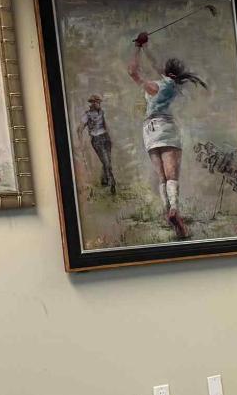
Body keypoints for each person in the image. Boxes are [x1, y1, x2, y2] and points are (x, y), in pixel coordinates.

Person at [128, 32, 206, 240]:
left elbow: (133, 71)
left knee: (161, 177)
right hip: (166, 128)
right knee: (172, 175)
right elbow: (157, 66)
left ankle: (167, 211)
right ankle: (174, 209)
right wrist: (145, 47)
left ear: (166, 72)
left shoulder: (154, 86)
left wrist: (138, 47)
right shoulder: (171, 86)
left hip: (149, 130)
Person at [78, 93, 115, 193]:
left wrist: (110, 138)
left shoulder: (102, 112)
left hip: (105, 138)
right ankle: (112, 184)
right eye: (96, 102)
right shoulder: (87, 115)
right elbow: (80, 129)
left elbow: (106, 125)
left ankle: (104, 181)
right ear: (92, 103)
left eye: (99, 102)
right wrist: (81, 143)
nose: (98, 104)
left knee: (107, 161)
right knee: (106, 162)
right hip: (96, 139)